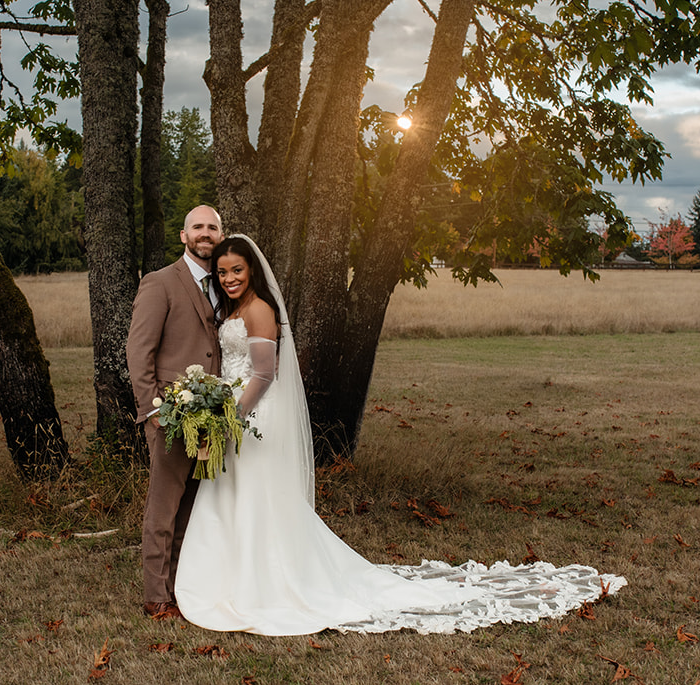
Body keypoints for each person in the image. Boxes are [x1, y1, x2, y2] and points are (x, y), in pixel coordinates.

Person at [174, 235, 624, 636]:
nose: (230, 277)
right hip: (234, 415)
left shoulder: (259, 309)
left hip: (252, 417)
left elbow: (265, 374)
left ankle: (269, 583)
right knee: (233, 496)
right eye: (223, 271)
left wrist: (229, 419)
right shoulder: (230, 309)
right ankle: (233, 577)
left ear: (252, 270)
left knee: (257, 500)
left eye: (238, 270)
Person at [125, 205, 223, 619]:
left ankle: (180, 588)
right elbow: (138, 350)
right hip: (170, 414)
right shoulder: (160, 282)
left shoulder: (228, 282)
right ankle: (156, 598)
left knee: (193, 508)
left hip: (213, 418)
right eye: (197, 227)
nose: (205, 233)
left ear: (222, 235)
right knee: (163, 508)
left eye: (213, 227)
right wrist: (152, 411)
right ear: (183, 236)